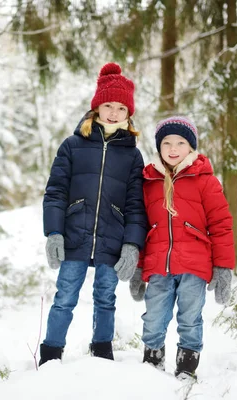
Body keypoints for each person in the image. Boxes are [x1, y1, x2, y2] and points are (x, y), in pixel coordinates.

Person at [39, 63, 148, 366]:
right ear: (97, 107)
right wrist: (54, 232)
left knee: (106, 298)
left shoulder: (133, 156)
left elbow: (136, 205)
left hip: (112, 239)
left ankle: (102, 351)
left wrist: (132, 244)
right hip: (75, 234)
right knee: (65, 297)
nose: (114, 113)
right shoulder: (73, 146)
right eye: (108, 105)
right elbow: (56, 192)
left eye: (121, 108)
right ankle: (50, 353)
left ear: (129, 114)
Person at [128, 115, 235, 380]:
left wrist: (223, 267)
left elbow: (221, 225)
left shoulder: (205, 180)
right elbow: (141, 226)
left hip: (195, 265)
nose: (173, 149)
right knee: (153, 318)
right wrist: (138, 267)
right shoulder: (149, 181)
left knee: (190, 318)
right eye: (166, 143)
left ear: (191, 147)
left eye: (180, 143)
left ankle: (187, 368)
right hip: (157, 264)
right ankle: (151, 365)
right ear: (158, 147)